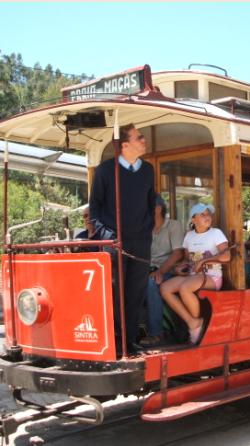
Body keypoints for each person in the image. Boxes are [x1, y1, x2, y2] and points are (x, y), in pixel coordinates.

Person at [89, 123, 155, 353]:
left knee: (136, 293)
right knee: (114, 293)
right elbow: (94, 207)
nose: (144, 140)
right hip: (114, 243)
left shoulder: (147, 170)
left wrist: (147, 232)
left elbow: (151, 204)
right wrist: (106, 235)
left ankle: (129, 341)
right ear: (125, 145)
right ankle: (114, 343)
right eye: (140, 137)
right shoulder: (106, 171)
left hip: (140, 243)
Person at [160, 203, 230, 344]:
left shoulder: (216, 233)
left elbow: (227, 256)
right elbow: (188, 259)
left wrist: (205, 261)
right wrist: (181, 267)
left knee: (185, 287)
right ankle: (193, 322)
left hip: (212, 277)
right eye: (202, 214)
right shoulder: (189, 236)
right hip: (192, 276)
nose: (207, 217)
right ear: (193, 219)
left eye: (208, 214)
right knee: (165, 288)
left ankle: (196, 328)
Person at [139, 194, 185, 348]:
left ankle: (156, 333)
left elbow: (178, 253)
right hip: (148, 269)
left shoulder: (174, 225)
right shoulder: (145, 229)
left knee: (151, 283)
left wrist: (160, 271)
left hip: (171, 270)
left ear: (157, 209)